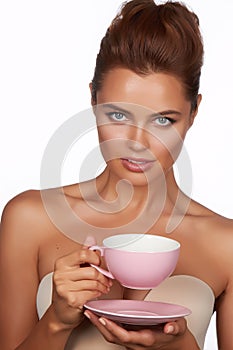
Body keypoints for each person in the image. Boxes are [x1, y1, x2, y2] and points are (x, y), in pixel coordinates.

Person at [0, 0, 232, 349]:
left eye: (163, 120)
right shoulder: (29, 219)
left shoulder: (225, 244)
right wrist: (56, 321)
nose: (138, 143)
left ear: (194, 111)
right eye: (119, 116)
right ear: (93, 99)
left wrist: (178, 344)